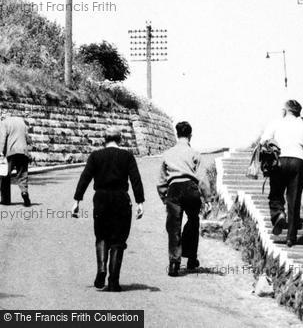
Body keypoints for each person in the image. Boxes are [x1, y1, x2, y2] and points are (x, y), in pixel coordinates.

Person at [72, 127, 145, 292]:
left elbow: (85, 177)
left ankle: (101, 269)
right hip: (121, 199)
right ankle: (113, 281)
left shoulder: (96, 156)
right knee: (118, 240)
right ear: (120, 139)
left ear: (104, 140)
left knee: (101, 235)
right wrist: (140, 202)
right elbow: (136, 179)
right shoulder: (127, 156)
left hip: (101, 199)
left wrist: (77, 200)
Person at [157, 121, 208, 277]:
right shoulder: (195, 154)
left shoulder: (167, 154)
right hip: (191, 189)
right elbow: (203, 179)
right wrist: (208, 198)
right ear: (190, 135)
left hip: (174, 189)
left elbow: (161, 180)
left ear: (177, 134)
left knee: (174, 226)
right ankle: (191, 258)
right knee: (193, 221)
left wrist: (163, 196)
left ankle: (174, 263)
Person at [260, 100, 303, 247]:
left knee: (276, 193)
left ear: (286, 110)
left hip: (279, 160)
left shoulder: (276, 123)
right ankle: (291, 237)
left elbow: (263, 141)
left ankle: (278, 214)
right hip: (298, 162)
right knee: (294, 201)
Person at [0, 109, 31, 206]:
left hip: (11, 152)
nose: (2, 116)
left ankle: (5, 199)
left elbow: (3, 138)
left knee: (5, 175)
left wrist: (0, 152)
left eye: (2, 115)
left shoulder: (4, 123)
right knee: (23, 174)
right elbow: (27, 137)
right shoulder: (22, 122)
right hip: (23, 151)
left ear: (6, 115)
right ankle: (24, 192)